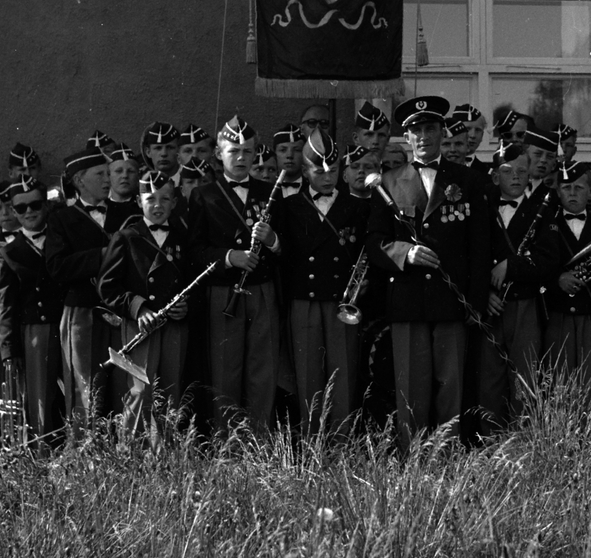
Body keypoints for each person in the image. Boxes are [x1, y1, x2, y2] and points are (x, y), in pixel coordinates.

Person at [366, 96, 490, 450]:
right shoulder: (388, 182)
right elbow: (375, 242)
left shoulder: (467, 180)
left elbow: (480, 247)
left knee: (451, 385)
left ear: (441, 131)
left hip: (453, 301)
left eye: (430, 128)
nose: (424, 136)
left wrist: (475, 303)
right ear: (406, 137)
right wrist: (407, 253)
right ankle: (414, 457)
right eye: (416, 130)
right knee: (412, 388)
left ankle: (447, 455)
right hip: (408, 301)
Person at [187, 116, 282, 431]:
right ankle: (227, 444)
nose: (241, 158)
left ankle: (260, 442)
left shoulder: (271, 191)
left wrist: (273, 240)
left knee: (262, 370)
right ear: (218, 153)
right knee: (226, 369)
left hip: (261, 289)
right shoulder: (204, 195)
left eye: (247, 151)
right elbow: (195, 252)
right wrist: (230, 257)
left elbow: (286, 248)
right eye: (234, 151)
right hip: (223, 292)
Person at [278, 130, 369, 433]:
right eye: (319, 170)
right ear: (304, 171)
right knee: (308, 377)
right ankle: (311, 444)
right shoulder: (289, 208)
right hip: (304, 301)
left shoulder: (357, 208)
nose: (328, 176)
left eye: (333, 169)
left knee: (343, 375)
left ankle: (343, 445)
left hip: (342, 304)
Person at [98, 170, 192, 433]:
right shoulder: (127, 237)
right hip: (141, 326)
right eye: (150, 199)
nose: (158, 205)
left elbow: (192, 279)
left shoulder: (182, 238)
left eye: (165, 199)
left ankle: (166, 454)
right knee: (140, 390)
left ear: (174, 202)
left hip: (174, 326)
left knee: (171, 388)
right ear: (139, 202)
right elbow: (107, 286)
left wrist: (187, 305)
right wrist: (138, 307)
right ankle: (132, 454)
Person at [478, 143, 558, 431]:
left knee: (524, 376)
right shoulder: (483, 209)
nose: (515, 176)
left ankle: (522, 447)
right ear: (495, 176)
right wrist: (483, 292)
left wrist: (509, 267)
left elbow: (548, 261)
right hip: (490, 306)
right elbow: (471, 257)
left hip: (525, 305)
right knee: (489, 379)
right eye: (507, 171)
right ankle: (490, 445)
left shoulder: (542, 209)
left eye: (522, 171)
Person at [46, 147, 117, 425]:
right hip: (83, 314)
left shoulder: (123, 213)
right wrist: (101, 256)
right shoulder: (61, 219)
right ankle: (86, 452)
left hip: (120, 312)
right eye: (100, 174)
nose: (107, 179)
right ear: (79, 181)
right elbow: (57, 267)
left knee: (122, 384)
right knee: (84, 386)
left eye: (108, 173)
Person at [0, 174, 64, 443]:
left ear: (46, 205)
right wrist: (9, 351)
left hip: (67, 324)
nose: (29, 212)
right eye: (21, 208)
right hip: (35, 333)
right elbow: (6, 307)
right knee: (40, 398)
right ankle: (44, 451)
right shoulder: (8, 254)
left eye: (35, 205)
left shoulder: (61, 240)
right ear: (13, 211)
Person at [542, 160, 591, 427]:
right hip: (557, 316)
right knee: (558, 381)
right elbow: (538, 272)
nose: (572, 193)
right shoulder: (546, 226)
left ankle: (590, 440)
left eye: (579, 187)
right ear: (558, 191)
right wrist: (557, 279)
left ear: (590, 191)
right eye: (566, 187)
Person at [452, 103, 489, 172]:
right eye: (467, 129)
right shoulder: (438, 166)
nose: (473, 135)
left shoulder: (487, 172)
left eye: (478, 130)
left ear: (482, 135)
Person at [273, 124, 306, 198]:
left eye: (297, 150)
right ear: (275, 154)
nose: (290, 155)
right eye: (283, 150)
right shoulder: (266, 188)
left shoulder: (313, 188)